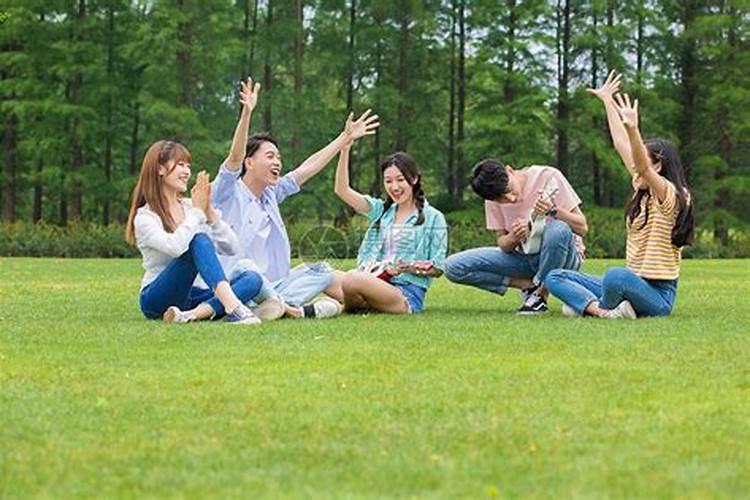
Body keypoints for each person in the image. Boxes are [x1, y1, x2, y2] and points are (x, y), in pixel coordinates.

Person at [210, 77, 379, 319]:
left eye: (278, 157)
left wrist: (344, 139)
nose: (277, 161)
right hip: (238, 284)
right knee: (248, 269)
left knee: (322, 270)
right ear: (250, 162)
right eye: (270, 156)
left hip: (274, 285)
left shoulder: (271, 194)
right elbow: (234, 159)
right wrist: (246, 114)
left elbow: (307, 168)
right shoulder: (228, 192)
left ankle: (272, 306)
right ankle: (293, 310)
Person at [545, 71, 695, 319]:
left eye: (643, 162)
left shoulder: (672, 194)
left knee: (615, 275)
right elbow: (621, 145)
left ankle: (590, 306)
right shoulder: (642, 187)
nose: (635, 167)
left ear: (658, 166)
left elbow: (642, 165)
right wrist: (607, 100)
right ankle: (602, 311)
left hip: (657, 295)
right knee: (555, 276)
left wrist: (633, 128)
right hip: (631, 285)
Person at [125, 140, 265, 324]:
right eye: (180, 165)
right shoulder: (145, 217)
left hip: (190, 296)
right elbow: (175, 248)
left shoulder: (191, 207)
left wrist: (211, 215)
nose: (186, 172)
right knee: (198, 239)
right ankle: (233, 308)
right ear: (160, 169)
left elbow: (232, 247)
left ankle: (190, 315)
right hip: (156, 298)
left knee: (252, 280)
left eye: (188, 166)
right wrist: (198, 212)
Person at [443, 154, 588, 314]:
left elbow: (582, 227)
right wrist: (514, 237)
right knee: (453, 266)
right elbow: (503, 243)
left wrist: (553, 211)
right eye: (501, 199)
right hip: (526, 258)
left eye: (509, 190)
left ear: (509, 170)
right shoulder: (491, 199)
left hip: (564, 256)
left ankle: (541, 295)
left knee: (558, 229)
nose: (510, 199)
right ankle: (528, 286)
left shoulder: (548, 177)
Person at [335, 136, 448, 314]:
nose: (394, 187)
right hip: (373, 277)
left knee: (351, 280)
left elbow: (438, 267)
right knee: (323, 274)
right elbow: (342, 190)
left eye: (400, 180)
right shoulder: (381, 210)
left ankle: (348, 307)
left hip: (404, 293)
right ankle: (359, 302)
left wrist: (406, 267)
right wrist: (345, 149)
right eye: (388, 181)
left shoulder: (434, 218)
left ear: (414, 179)